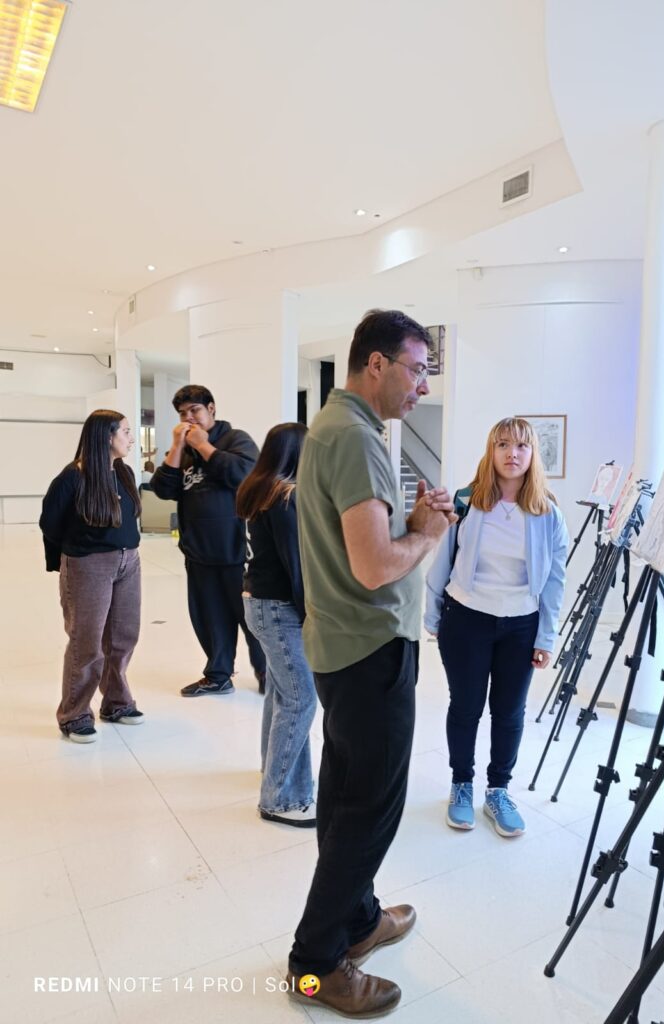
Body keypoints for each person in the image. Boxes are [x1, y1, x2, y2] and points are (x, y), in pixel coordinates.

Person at [286, 310, 456, 1018]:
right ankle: (315, 963)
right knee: (369, 811)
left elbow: (361, 547)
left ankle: (357, 920)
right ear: (376, 364)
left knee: (345, 793)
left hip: (344, 647)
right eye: (418, 369)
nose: (424, 385)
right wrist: (428, 534)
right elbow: (374, 565)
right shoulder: (355, 437)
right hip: (369, 650)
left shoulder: (335, 427)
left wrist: (410, 526)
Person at [425, 416, 569, 837]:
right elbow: (442, 559)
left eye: (521, 446)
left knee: (509, 712)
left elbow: (555, 581)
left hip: (520, 625)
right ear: (491, 451)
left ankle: (499, 791)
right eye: (502, 444)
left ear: (532, 454)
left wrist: (546, 636)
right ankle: (461, 785)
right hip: (466, 618)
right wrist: (433, 615)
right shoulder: (467, 501)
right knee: (465, 706)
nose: (512, 454)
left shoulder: (548, 513)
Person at [150, 384, 267, 696]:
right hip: (199, 552)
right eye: (182, 413)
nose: (189, 418)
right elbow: (163, 489)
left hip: (237, 552)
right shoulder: (183, 452)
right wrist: (177, 448)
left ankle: (269, 674)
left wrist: (204, 447)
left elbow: (246, 474)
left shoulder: (235, 439)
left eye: (195, 410)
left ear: (211, 408)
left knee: (252, 620)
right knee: (209, 618)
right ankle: (218, 675)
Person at [40, 410, 144, 743]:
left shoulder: (123, 471)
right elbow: (50, 523)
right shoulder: (73, 476)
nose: (131, 438)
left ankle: (116, 702)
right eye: (125, 431)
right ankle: (75, 714)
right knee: (87, 642)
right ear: (106, 436)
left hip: (128, 562)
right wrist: (70, 557)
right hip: (89, 565)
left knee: (123, 637)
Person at [237, 422, 317, 828]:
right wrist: (310, 615)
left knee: (281, 694)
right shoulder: (285, 496)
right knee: (301, 698)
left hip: (259, 603)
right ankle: (280, 798)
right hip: (278, 609)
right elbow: (296, 565)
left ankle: (273, 772)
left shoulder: (261, 490)